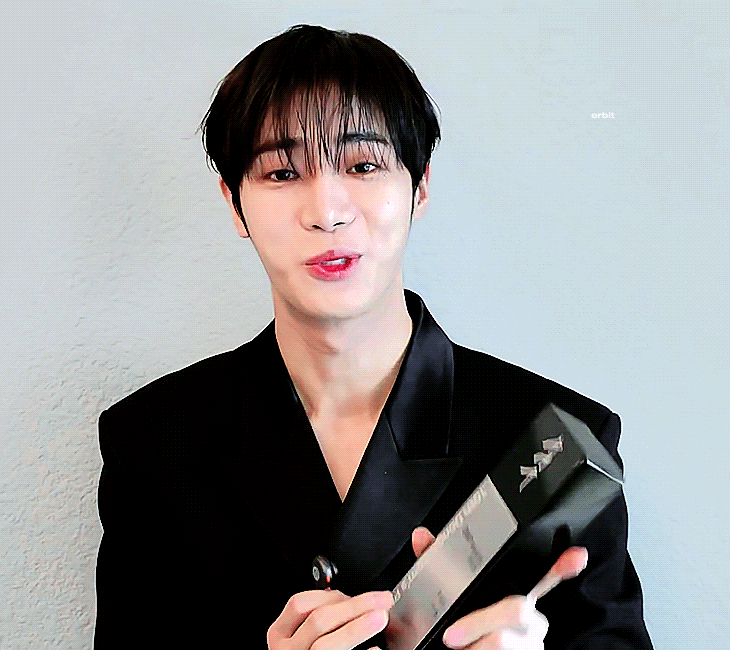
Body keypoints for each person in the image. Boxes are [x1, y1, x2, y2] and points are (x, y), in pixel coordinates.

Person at [94, 25, 654, 649]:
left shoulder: (555, 436)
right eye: (282, 173)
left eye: (363, 165)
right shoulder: (155, 442)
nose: (327, 212)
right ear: (234, 203)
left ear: (420, 186)